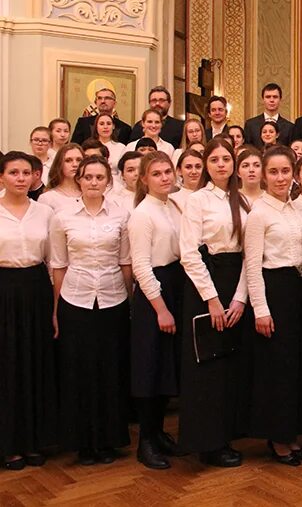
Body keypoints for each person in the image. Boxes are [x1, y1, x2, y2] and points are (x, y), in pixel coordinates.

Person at [49, 155, 132, 465]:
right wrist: (57, 309)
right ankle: (84, 442)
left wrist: (129, 302)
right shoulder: (63, 217)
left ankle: (109, 439)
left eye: (100, 177)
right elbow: (58, 265)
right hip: (76, 299)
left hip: (112, 299)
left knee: (110, 370)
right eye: (88, 177)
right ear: (79, 180)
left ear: (107, 182)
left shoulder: (121, 215)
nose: (94, 182)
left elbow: (125, 262)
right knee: (79, 373)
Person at [177, 138, 250, 467]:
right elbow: (189, 254)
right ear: (205, 165)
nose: (221, 164)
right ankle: (207, 442)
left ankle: (227, 435)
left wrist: (239, 297)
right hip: (206, 285)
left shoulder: (244, 199)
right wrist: (213, 299)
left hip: (236, 282)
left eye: (226, 159)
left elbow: (252, 251)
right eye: (215, 159)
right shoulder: (198, 201)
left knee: (231, 366)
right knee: (207, 368)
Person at [244, 146, 302, 465]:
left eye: (286, 171)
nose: (281, 177)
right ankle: (277, 439)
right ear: (264, 176)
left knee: (294, 366)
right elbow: (252, 265)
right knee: (276, 369)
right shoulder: (259, 213)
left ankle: (291, 434)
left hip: (296, 290)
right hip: (273, 291)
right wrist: (261, 309)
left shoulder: (296, 209)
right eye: (274, 172)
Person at [128, 152, 187, 469]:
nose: (165, 177)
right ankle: (146, 441)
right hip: (155, 294)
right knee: (149, 367)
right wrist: (161, 309)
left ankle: (161, 432)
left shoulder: (174, 205)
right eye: (157, 174)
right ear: (144, 180)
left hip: (175, 283)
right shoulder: (142, 214)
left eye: (168, 172)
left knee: (167, 365)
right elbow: (140, 266)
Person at [0, 152, 57, 471]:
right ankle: (9, 445)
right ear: (2, 177)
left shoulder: (44, 212)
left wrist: (53, 304)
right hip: (4, 290)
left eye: (26, 173)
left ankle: (34, 440)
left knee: (35, 363)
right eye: (13, 173)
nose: (21, 178)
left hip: (36, 290)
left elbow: (52, 260)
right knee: (8, 367)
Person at [245, 83, 294, 148]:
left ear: (280, 99)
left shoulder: (290, 127)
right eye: (268, 97)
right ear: (263, 99)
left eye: (275, 97)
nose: (271, 100)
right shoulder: (250, 124)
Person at [38, 143, 83, 214]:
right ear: (59, 164)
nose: (75, 164)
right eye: (68, 160)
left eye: (79, 160)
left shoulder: (91, 194)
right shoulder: (47, 198)